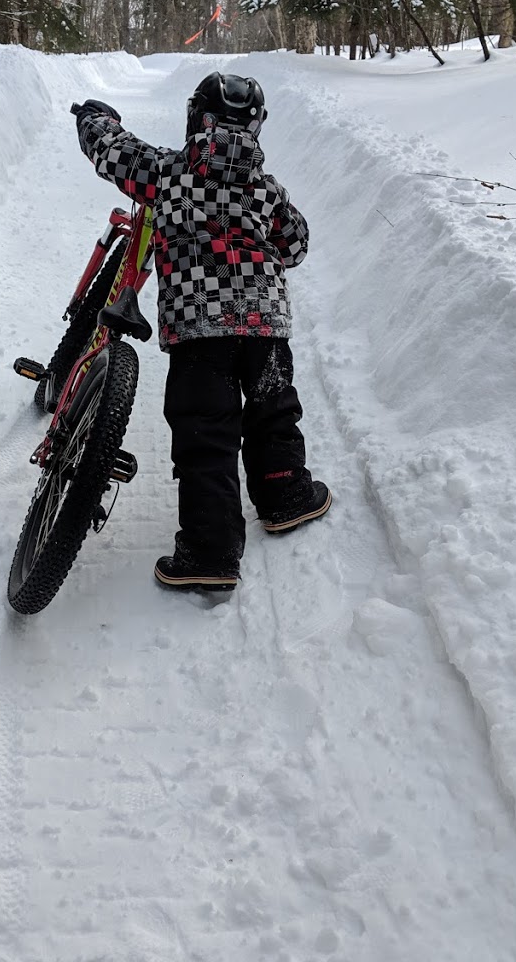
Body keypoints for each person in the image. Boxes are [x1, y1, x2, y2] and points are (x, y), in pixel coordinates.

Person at [74, 72, 330, 594]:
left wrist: (94, 119)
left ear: (197, 117)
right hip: (265, 326)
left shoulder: (167, 172)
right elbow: (296, 245)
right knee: (273, 411)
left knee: (205, 434)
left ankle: (210, 552)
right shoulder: (265, 186)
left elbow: (114, 152)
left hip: (199, 328)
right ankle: (286, 496)